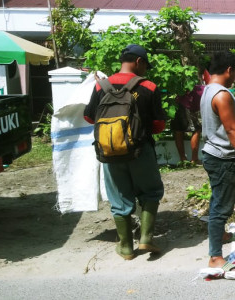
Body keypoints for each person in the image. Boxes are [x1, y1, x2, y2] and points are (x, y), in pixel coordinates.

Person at [84, 44, 167, 259]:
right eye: (145, 65)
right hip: (141, 150)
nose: (146, 70)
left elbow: (89, 117)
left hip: (110, 152)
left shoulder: (100, 86)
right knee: (151, 192)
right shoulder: (149, 86)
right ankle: (147, 239)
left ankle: (126, 247)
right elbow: (159, 124)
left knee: (119, 199)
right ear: (138, 62)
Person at [200, 50, 235, 271]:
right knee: (221, 207)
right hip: (223, 157)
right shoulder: (222, 94)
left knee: (218, 198)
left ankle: (221, 234)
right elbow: (232, 130)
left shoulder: (208, 90)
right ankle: (215, 257)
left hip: (213, 154)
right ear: (229, 70)